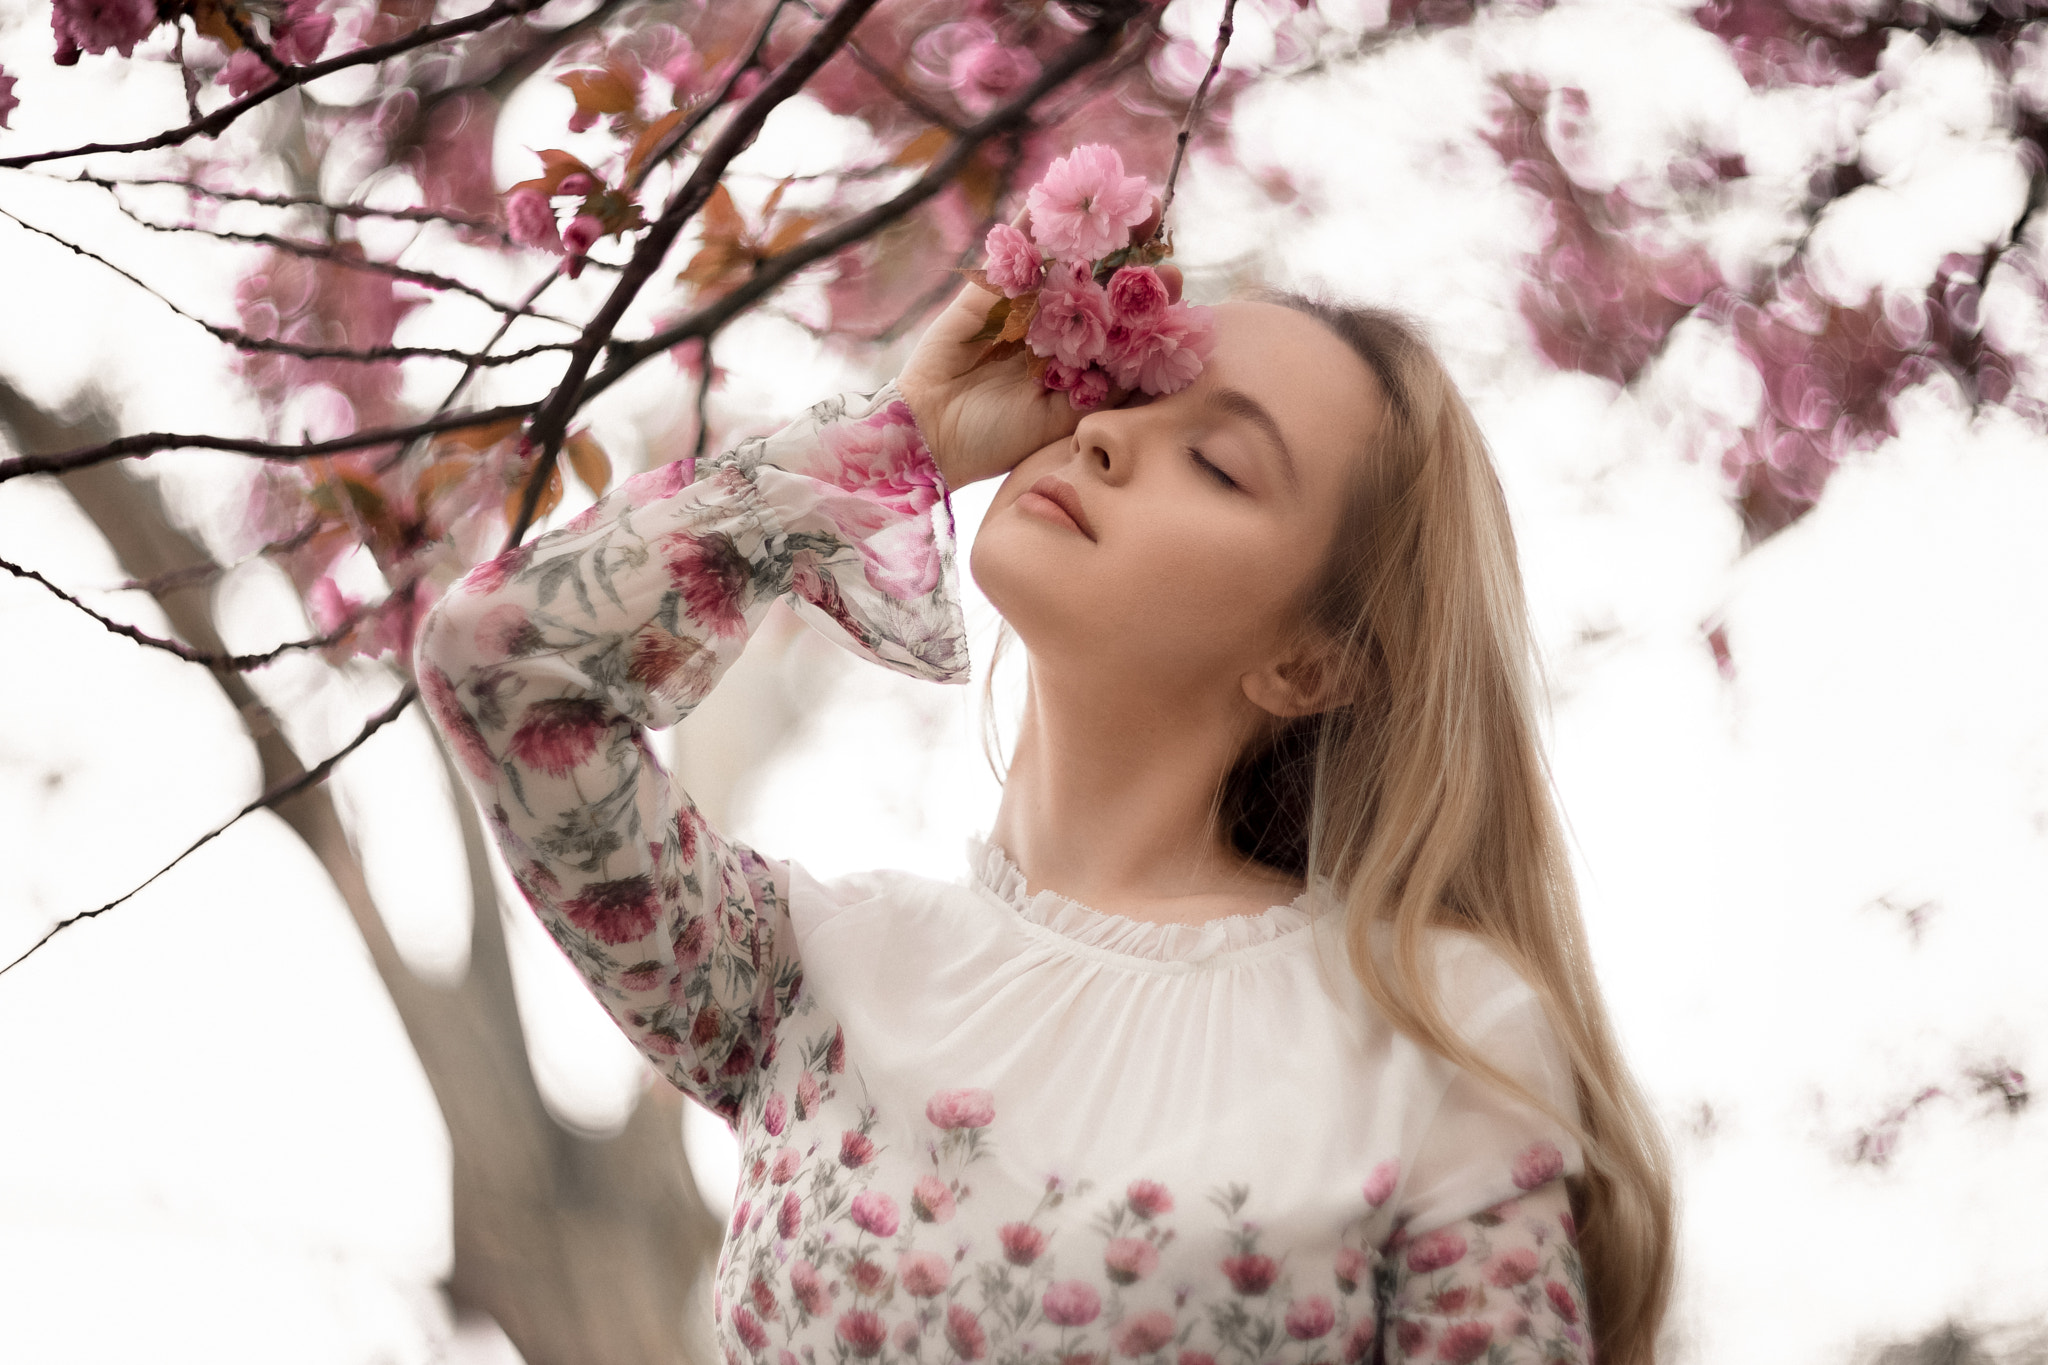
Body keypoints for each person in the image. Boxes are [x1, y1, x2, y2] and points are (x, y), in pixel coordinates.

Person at [414, 212, 1677, 1365]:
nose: (1105, 435)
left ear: (1309, 663)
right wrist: (892, 440)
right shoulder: (807, 975)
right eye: (1120, 396)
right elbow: (498, 662)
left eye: (1221, 464)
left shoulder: (1428, 1037)